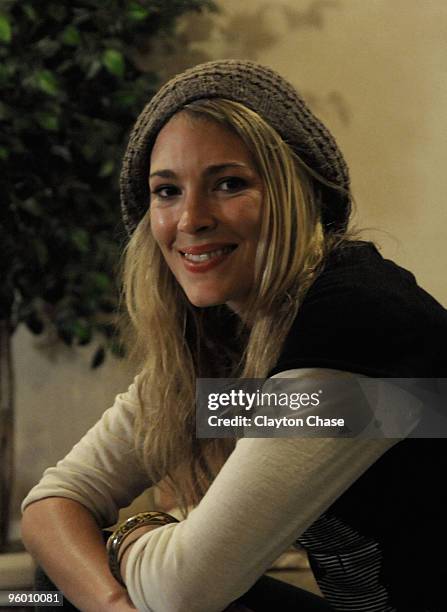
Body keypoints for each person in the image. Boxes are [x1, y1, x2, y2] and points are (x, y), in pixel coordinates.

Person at [21, 60, 447, 612]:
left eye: (229, 184)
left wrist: (127, 535)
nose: (191, 218)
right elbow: (55, 501)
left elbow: (185, 589)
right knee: (52, 586)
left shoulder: (361, 330)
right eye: (167, 191)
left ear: (300, 194)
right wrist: (109, 604)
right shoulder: (230, 326)